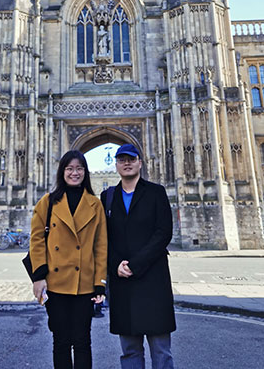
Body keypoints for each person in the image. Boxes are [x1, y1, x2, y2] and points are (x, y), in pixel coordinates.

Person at [30, 150, 107, 368]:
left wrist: (100, 284)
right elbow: (36, 241)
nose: (75, 173)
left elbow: (101, 246)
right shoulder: (47, 202)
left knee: (83, 341)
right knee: (61, 341)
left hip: (84, 285)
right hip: (55, 284)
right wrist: (39, 277)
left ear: (85, 172)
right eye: (70, 168)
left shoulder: (95, 204)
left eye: (79, 168)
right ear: (62, 171)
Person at [101, 144, 176, 368]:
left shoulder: (156, 192)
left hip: (152, 279)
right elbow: (103, 238)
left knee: (161, 350)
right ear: (116, 165)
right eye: (122, 159)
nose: (126, 163)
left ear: (139, 163)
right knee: (129, 351)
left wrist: (135, 264)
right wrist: (115, 265)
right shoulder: (107, 197)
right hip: (123, 281)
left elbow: (163, 233)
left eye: (131, 159)